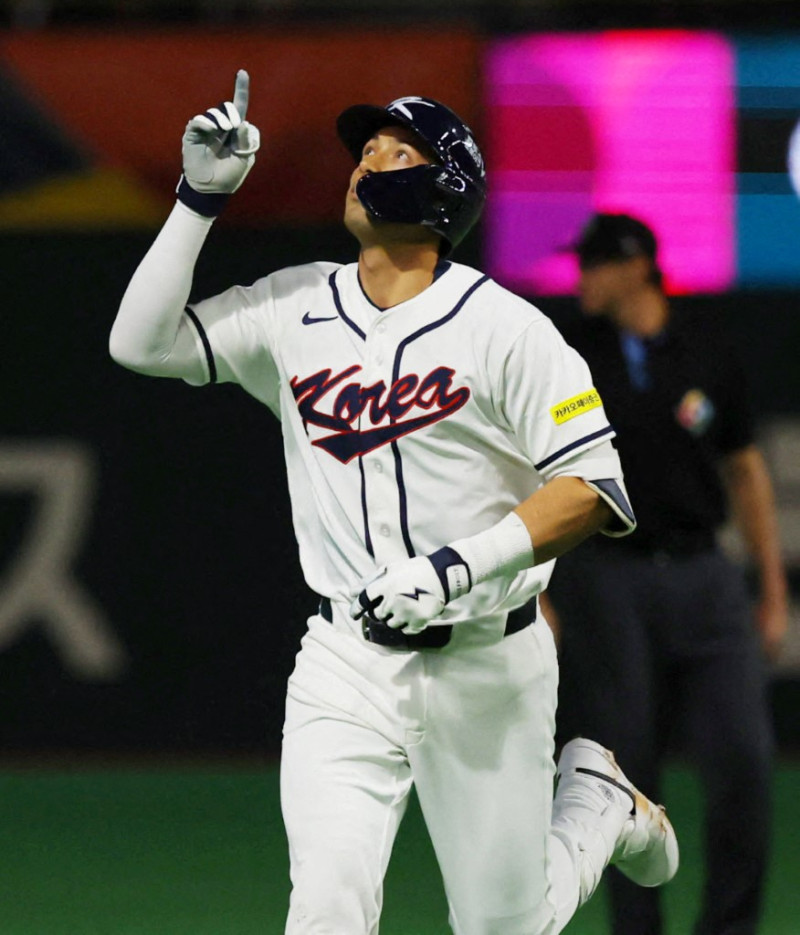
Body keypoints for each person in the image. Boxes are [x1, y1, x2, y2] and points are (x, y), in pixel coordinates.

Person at [109, 74, 678, 935]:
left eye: (393, 150)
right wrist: (197, 200)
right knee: (327, 911)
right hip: (347, 661)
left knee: (504, 926)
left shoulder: (508, 329)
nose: (365, 161)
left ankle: (594, 804)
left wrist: (458, 567)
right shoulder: (295, 304)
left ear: (443, 188)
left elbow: (593, 489)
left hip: (487, 660)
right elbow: (139, 342)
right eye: (364, 148)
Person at [542, 212, 788, 935]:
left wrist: (770, 590)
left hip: (704, 576)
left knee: (743, 762)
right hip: (608, 580)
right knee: (622, 773)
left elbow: (745, 470)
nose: (580, 276)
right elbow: (541, 473)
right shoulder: (571, 357)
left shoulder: (706, 353)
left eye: (594, 263)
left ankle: (730, 926)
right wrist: (543, 589)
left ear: (638, 266)